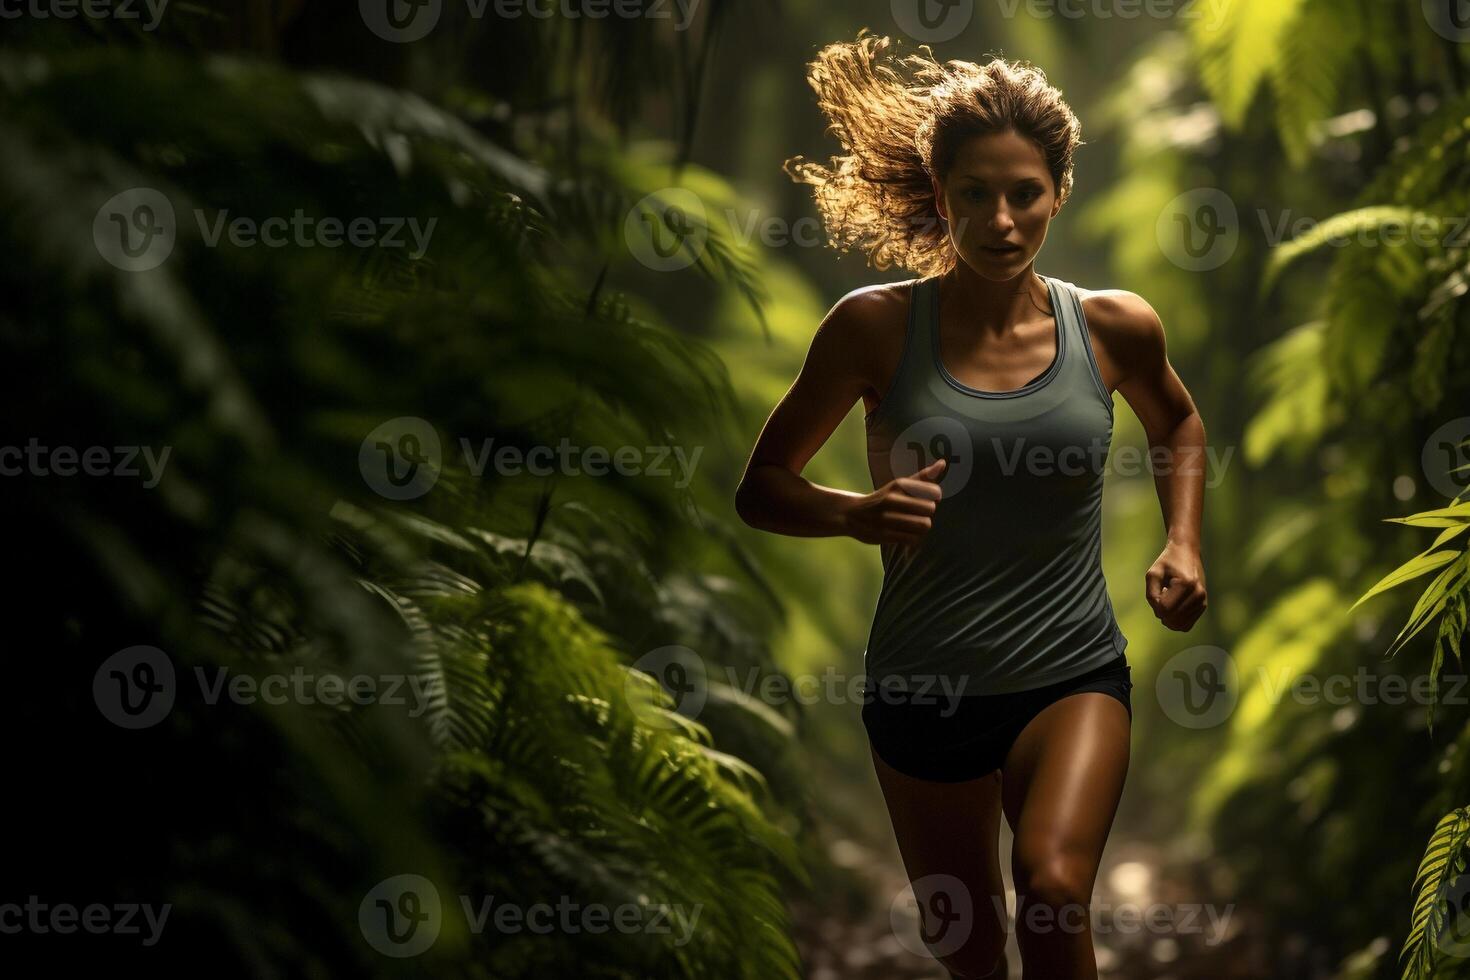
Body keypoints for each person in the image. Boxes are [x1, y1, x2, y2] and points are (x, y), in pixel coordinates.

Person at [734, 32, 1209, 980]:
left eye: (1024, 193)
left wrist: (1184, 541)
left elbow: (1180, 425)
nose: (1000, 219)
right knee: (975, 951)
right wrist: (854, 513)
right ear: (939, 195)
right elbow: (763, 488)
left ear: (1059, 192)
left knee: (1056, 889)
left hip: (1070, 673)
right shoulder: (873, 327)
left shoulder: (1113, 326)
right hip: (924, 687)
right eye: (975, 195)